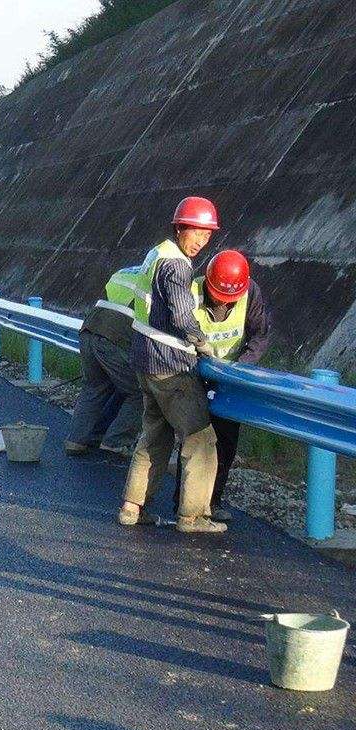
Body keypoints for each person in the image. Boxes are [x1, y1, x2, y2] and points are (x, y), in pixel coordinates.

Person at [118, 196, 224, 535]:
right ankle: (193, 517)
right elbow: (180, 315)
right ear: (180, 228)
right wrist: (203, 343)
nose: (200, 242)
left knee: (155, 434)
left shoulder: (156, 253)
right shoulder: (178, 266)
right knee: (200, 438)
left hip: (144, 361)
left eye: (207, 236)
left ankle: (132, 507)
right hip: (170, 366)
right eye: (196, 233)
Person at [172, 249, 271, 521]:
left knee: (225, 442)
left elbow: (259, 336)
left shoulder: (249, 291)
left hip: (230, 376)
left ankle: (212, 503)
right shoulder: (191, 292)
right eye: (218, 297)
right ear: (208, 281)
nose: (224, 303)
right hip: (195, 371)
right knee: (194, 438)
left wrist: (239, 367)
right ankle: (184, 501)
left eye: (230, 299)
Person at [64, 266, 144, 456]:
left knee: (94, 386)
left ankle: (76, 440)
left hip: (90, 328)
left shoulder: (126, 271)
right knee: (140, 392)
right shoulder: (160, 279)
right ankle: (116, 442)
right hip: (114, 337)